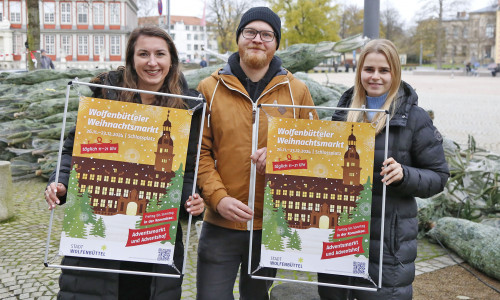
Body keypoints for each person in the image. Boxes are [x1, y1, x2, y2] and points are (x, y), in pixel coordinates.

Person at [43, 26, 205, 299]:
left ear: (171, 61)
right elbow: (73, 152)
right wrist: (60, 181)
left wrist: (192, 199)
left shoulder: (186, 108)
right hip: (99, 248)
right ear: (131, 59)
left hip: (153, 241)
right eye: (143, 54)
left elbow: (188, 171)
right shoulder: (107, 97)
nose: (152, 62)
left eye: (159, 54)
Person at [195, 6, 318, 300]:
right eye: (250, 32)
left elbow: (315, 150)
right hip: (220, 223)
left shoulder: (296, 91)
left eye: (267, 34)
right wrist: (218, 198)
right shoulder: (209, 88)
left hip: (270, 224)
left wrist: (282, 156)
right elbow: (198, 152)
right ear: (239, 38)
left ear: (276, 43)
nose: (257, 40)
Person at [317, 39, 449, 300]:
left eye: (384, 70)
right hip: (341, 237)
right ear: (359, 73)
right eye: (369, 69)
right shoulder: (343, 113)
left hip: (388, 245)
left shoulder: (414, 117)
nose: (375, 77)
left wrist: (405, 175)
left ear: (395, 73)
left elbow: (439, 176)